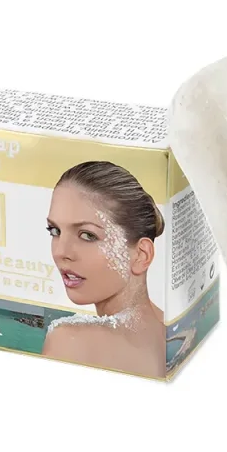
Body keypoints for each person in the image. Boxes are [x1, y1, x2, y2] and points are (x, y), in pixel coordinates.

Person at [42, 160, 166, 377]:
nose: (61, 252)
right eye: (55, 231)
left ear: (141, 255)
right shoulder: (175, 332)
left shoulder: (70, 341)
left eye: (87, 235)